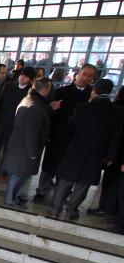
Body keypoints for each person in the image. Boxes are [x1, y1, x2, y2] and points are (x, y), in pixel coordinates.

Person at [47, 79, 124, 220]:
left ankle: (55, 209)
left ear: (94, 91)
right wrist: (111, 156)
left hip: (75, 150)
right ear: (111, 92)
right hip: (97, 153)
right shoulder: (118, 111)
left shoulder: (83, 108)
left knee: (65, 181)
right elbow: (116, 137)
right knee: (83, 184)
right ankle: (71, 211)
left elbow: (71, 124)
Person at [36, 64, 97, 197]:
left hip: (76, 138)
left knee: (67, 168)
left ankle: (60, 193)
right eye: (84, 73)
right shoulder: (61, 92)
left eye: (90, 76)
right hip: (58, 136)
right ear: (78, 73)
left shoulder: (92, 96)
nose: (86, 78)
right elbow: (50, 115)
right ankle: (42, 189)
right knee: (50, 164)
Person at [1, 79, 52, 209]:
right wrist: (33, 152)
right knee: (18, 175)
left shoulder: (29, 99)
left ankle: (14, 197)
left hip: (20, 146)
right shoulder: (34, 105)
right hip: (24, 148)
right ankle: (10, 200)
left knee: (20, 175)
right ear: (44, 90)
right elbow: (31, 132)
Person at [0, 66, 36, 182]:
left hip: (14, 127)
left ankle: (3, 172)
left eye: (25, 76)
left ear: (30, 79)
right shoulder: (9, 85)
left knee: (7, 152)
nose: (22, 77)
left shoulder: (31, 92)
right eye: (21, 75)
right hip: (1, 123)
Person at [90, 85, 124, 218]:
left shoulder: (116, 109)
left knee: (111, 182)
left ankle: (106, 209)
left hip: (116, 153)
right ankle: (112, 209)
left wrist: (110, 155)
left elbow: (115, 135)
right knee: (117, 184)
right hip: (119, 153)